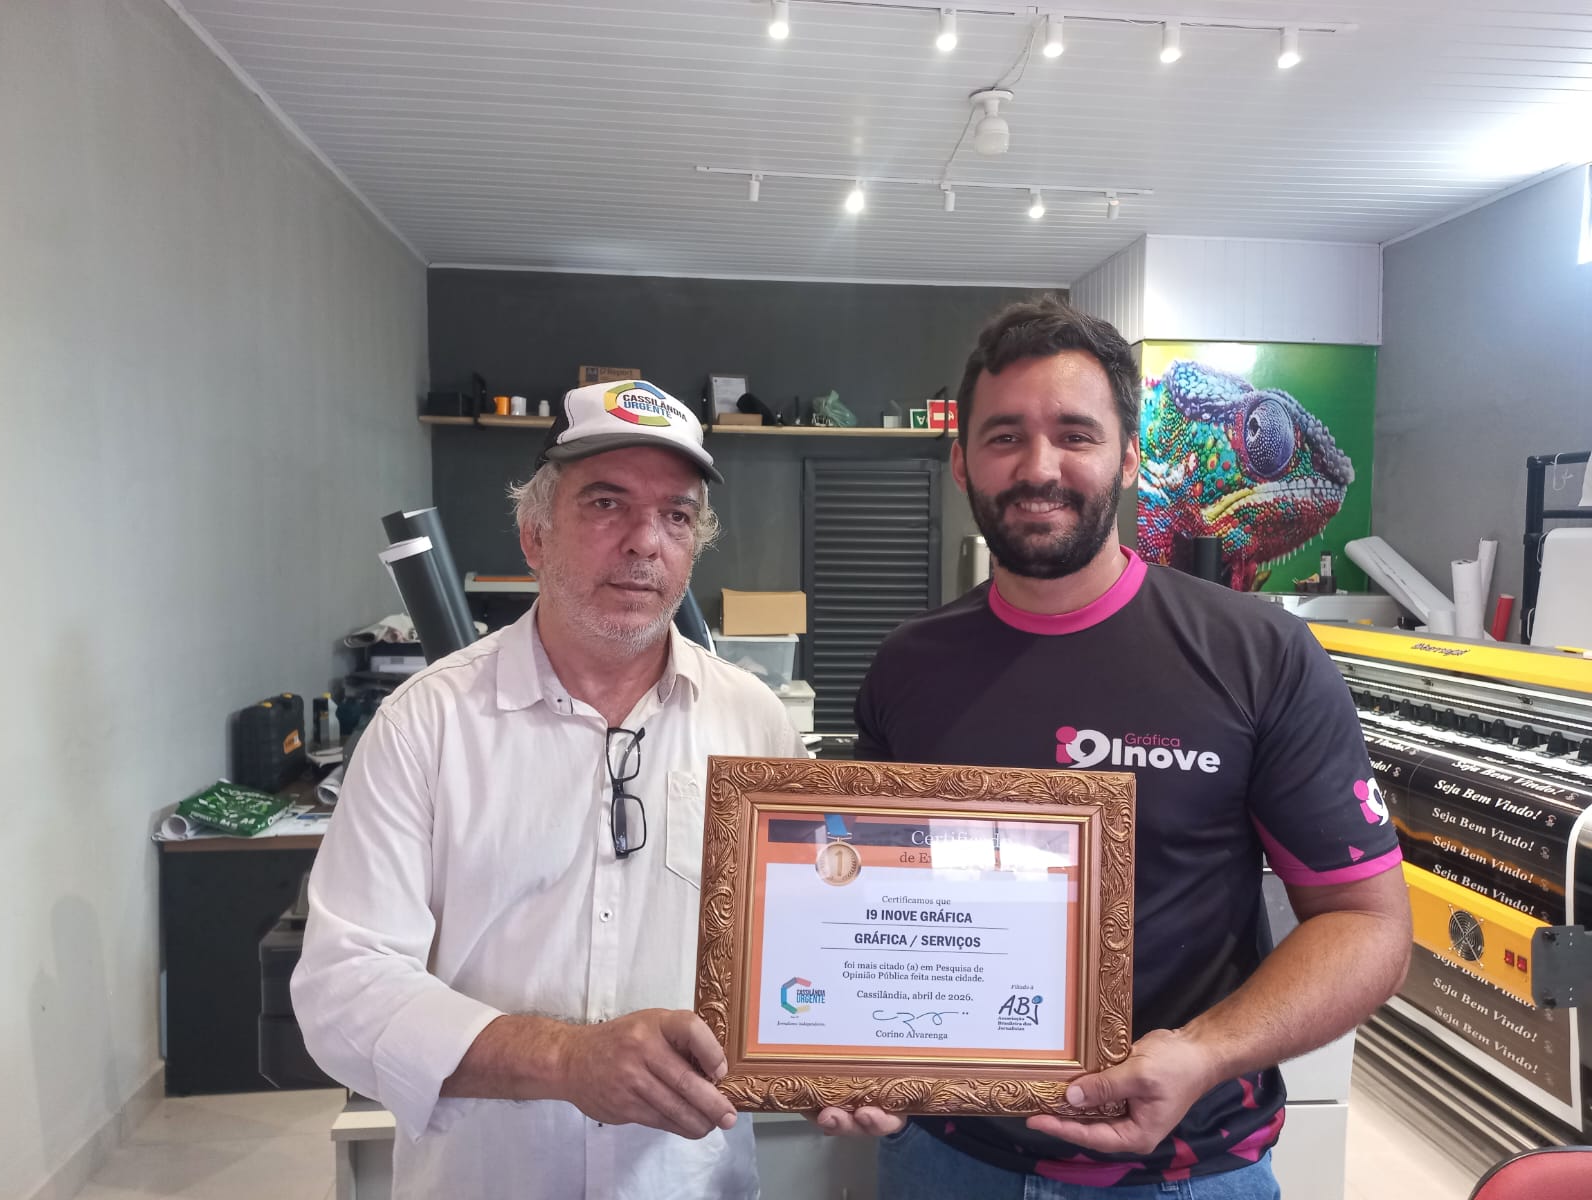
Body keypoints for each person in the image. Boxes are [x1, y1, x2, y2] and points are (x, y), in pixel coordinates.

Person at [815, 298, 1411, 1198]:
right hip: (946, 1160)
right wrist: (838, 1041)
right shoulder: (908, 666)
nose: (1038, 467)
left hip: (1186, 1173)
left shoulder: (1259, 655)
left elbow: (1368, 925)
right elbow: (864, 899)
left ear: (1130, 456)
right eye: (1004, 436)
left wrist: (1206, 1052)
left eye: (1076, 434)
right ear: (961, 460)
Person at [293, 380, 805, 1199]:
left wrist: (864, 1056)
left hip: (685, 1183)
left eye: (676, 515)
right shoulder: (426, 723)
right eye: (606, 504)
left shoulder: (755, 723)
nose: (645, 542)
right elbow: (343, 991)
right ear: (534, 536)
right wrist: (567, 1060)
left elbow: (799, 952)